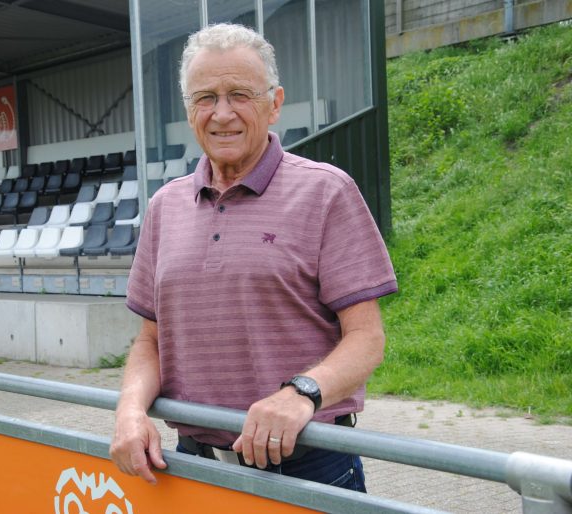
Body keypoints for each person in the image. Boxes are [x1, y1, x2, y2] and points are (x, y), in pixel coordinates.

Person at [109, 23, 397, 491]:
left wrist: (301, 394)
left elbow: (367, 338)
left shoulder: (326, 192)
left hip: (307, 468)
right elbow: (150, 342)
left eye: (239, 94)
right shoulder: (165, 207)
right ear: (189, 110)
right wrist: (129, 411)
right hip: (191, 467)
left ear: (275, 103)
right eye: (205, 98)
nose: (222, 114)